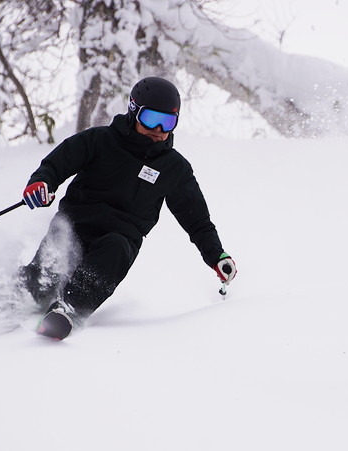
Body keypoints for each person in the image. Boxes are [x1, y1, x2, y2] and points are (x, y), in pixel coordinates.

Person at [18, 76, 237, 340]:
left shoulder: (174, 168)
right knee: (43, 281)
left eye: (167, 122)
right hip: (74, 226)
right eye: (151, 118)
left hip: (119, 242)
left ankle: (68, 309)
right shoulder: (100, 140)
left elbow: (197, 220)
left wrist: (216, 256)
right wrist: (41, 182)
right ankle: (3, 300)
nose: (158, 129)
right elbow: (57, 164)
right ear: (134, 112)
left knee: (116, 248)